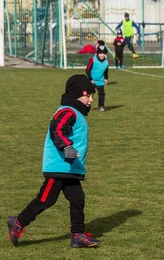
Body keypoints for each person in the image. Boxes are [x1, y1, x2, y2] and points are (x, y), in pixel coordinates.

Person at [7, 75, 101, 248]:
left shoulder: (77, 113)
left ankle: (78, 235)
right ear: (77, 94)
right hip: (59, 166)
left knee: (77, 199)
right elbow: (57, 129)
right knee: (45, 199)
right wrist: (66, 147)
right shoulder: (68, 111)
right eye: (88, 95)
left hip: (69, 167)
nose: (91, 100)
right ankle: (17, 223)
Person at [85, 42, 109, 112]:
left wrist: (106, 78)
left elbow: (106, 71)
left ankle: (100, 107)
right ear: (97, 53)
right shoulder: (93, 60)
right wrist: (90, 79)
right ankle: (85, 105)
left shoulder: (106, 62)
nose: (102, 55)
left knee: (102, 94)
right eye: (100, 53)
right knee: (89, 94)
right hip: (91, 80)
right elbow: (87, 70)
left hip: (100, 80)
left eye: (103, 53)